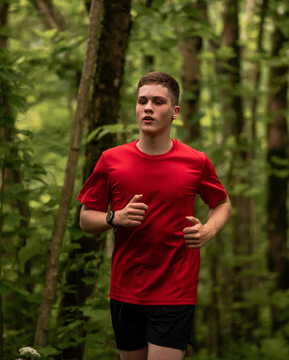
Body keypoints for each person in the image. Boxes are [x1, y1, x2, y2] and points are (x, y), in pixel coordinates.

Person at [77, 71, 231, 360]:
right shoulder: (111, 160)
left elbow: (222, 203)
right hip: (125, 289)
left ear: (175, 112)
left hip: (175, 289)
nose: (148, 108)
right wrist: (115, 217)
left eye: (158, 102)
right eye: (142, 101)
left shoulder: (196, 161)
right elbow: (86, 219)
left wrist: (208, 231)